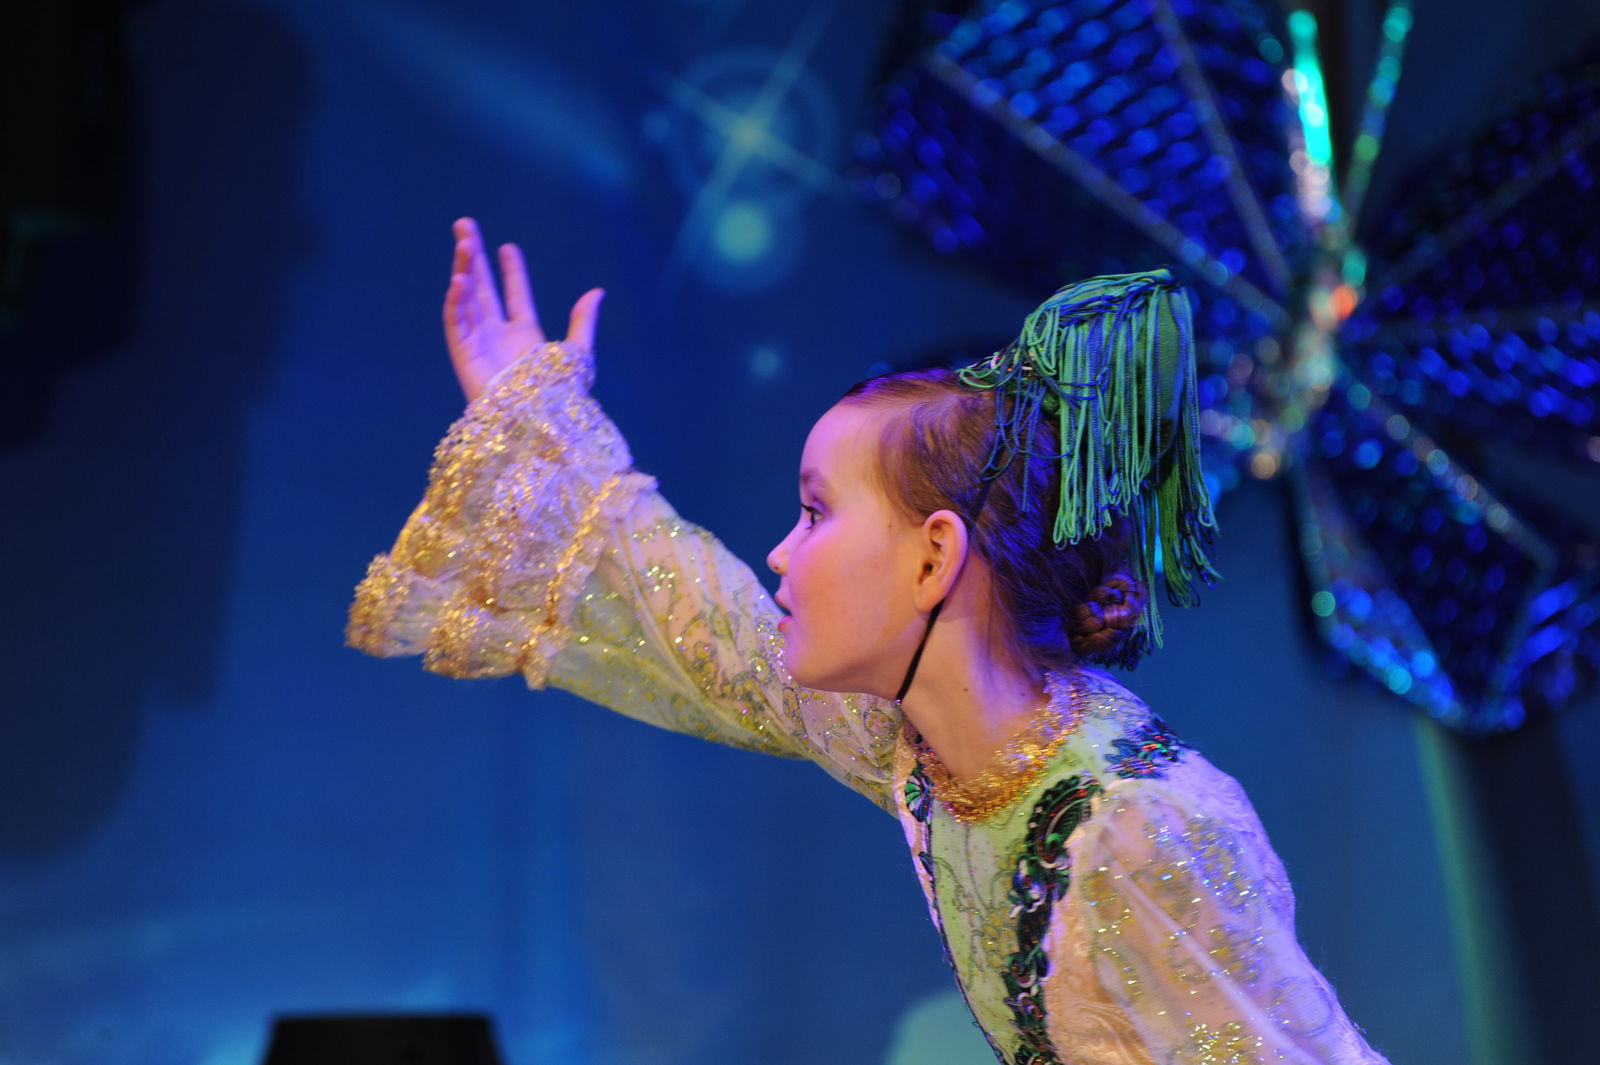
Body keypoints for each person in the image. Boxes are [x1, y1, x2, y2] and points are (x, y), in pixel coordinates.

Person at [348, 218, 1391, 1065]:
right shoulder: (922, 747)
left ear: (933, 560)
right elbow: (714, 631)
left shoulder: (1136, 829)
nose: (780, 552)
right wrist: (540, 425)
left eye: (816, 513)